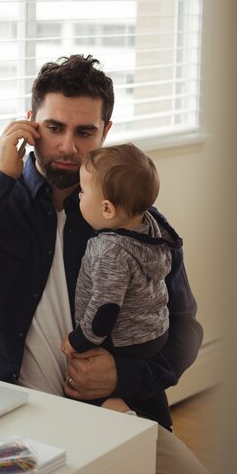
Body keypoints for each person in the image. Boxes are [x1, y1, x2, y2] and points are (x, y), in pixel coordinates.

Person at [0, 54, 216, 474]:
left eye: (85, 132)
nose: (67, 147)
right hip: (4, 414)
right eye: (54, 128)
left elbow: (186, 329)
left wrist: (122, 376)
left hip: (114, 412)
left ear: (106, 134)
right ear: (29, 123)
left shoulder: (141, 226)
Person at [61, 143, 174, 371]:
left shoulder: (110, 252)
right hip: (155, 330)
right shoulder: (151, 228)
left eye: (82, 191)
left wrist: (79, 340)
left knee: (87, 381)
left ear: (107, 210)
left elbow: (105, 308)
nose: (79, 195)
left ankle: (118, 406)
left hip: (124, 341)